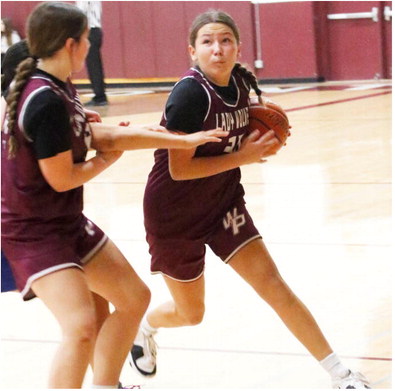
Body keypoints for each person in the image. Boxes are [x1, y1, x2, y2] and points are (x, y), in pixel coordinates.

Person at [128, 10, 371, 389]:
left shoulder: (241, 86)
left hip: (223, 204)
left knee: (274, 285)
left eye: (225, 40)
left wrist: (262, 142)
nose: (218, 49)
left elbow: (241, 142)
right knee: (191, 314)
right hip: (173, 216)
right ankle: (145, 328)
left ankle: (343, 375)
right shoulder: (189, 94)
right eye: (207, 41)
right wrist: (243, 156)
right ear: (192, 51)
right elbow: (180, 170)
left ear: (239, 47)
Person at [1, 3, 227, 388]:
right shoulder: (44, 101)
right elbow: (63, 179)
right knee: (80, 327)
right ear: (71, 45)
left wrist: (177, 138)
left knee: (133, 297)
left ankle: (107, 385)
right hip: (32, 232)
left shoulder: (59, 86)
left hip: (65, 222)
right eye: (88, 40)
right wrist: (108, 160)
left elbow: (105, 134)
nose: (91, 46)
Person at [75, 1, 108, 106]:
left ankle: (100, 97)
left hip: (91, 30)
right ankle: (99, 95)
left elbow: (80, 12)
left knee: (93, 66)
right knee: (94, 65)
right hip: (94, 30)